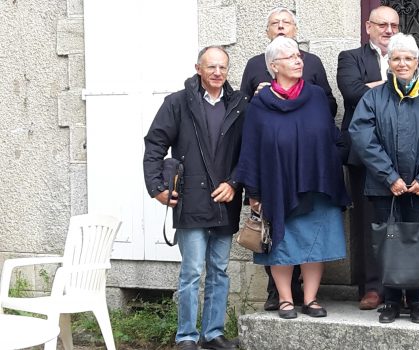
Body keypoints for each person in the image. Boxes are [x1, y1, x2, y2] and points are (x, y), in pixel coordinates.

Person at [235, 36, 349, 320]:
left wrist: (334, 160)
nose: (298, 61)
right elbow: (250, 149)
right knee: (282, 245)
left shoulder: (315, 97)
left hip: (317, 184)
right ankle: (286, 300)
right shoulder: (260, 104)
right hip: (277, 185)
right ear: (274, 65)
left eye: (299, 56)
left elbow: (329, 135)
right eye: (290, 57)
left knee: (315, 243)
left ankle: (310, 299)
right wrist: (254, 192)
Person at [349, 32, 419, 324]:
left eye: (408, 58)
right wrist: (389, 177)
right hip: (386, 188)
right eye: (396, 58)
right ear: (388, 62)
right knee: (388, 242)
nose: (402, 63)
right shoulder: (373, 98)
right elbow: (362, 137)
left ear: (417, 61)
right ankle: (392, 301)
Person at [143, 46, 246, 350]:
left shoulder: (239, 104)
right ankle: (186, 337)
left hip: (225, 202)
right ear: (198, 68)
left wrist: (234, 183)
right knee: (191, 272)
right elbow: (154, 146)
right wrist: (157, 187)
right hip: (190, 200)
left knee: (219, 270)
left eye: (223, 68)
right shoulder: (177, 103)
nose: (217, 73)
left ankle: (213, 334)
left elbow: (248, 153)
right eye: (211, 67)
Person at [335, 5, 400, 310]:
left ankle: (401, 284)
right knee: (366, 222)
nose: (389, 30)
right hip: (363, 153)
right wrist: (393, 86)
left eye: (394, 25)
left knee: (399, 219)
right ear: (368, 27)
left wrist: (372, 87)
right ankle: (372, 286)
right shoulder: (350, 57)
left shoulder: (409, 53)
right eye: (383, 25)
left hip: (401, 153)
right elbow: (351, 93)